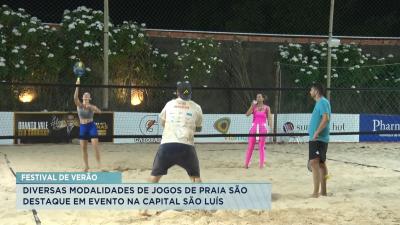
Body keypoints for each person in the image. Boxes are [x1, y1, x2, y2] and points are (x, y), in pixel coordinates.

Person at [149, 80, 203, 183]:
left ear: (177, 93)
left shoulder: (169, 104)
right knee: (195, 178)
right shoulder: (197, 107)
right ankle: (199, 198)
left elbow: (162, 122)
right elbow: (199, 129)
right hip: (186, 146)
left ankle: (147, 197)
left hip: (167, 145)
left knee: (154, 177)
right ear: (191, 93)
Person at [308, 83, 331, 198]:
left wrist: (316, 132)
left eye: (311, 90)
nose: (310, 92)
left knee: (314, 163)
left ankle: (316, 193)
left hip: (318, 138)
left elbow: (325, 119)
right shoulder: (321, 102)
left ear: (316, 91)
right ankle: (323, 192)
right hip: (319, 138)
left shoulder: (322, 102)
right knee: (321, 163)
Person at [74, 78, 102, 172]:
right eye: (84, 97)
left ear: (89, 99)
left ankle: (99, 165)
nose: (86, 98)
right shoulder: (79, 105)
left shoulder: (91, 106)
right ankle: (86, 166)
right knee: (83, 148)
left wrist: (92, 107)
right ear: (82, 98)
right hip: (83, 127)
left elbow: (99, 111)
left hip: (91, 126)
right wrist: (77, 86)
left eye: (87, 97)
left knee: (95, 146)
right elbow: (75, 98)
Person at [244, 93, 273, 169]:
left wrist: (271, 128)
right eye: (257, 97)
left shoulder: (267, 107)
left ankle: (261, 165)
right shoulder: (254, 107)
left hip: (262, 128)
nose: (258, 98)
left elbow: (269, 117)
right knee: (250, 146)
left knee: (261, 147)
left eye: (259, 97)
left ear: (263, 99)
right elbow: (247, 114)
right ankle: (246, 164)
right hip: (254, 128)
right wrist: (252, 105)